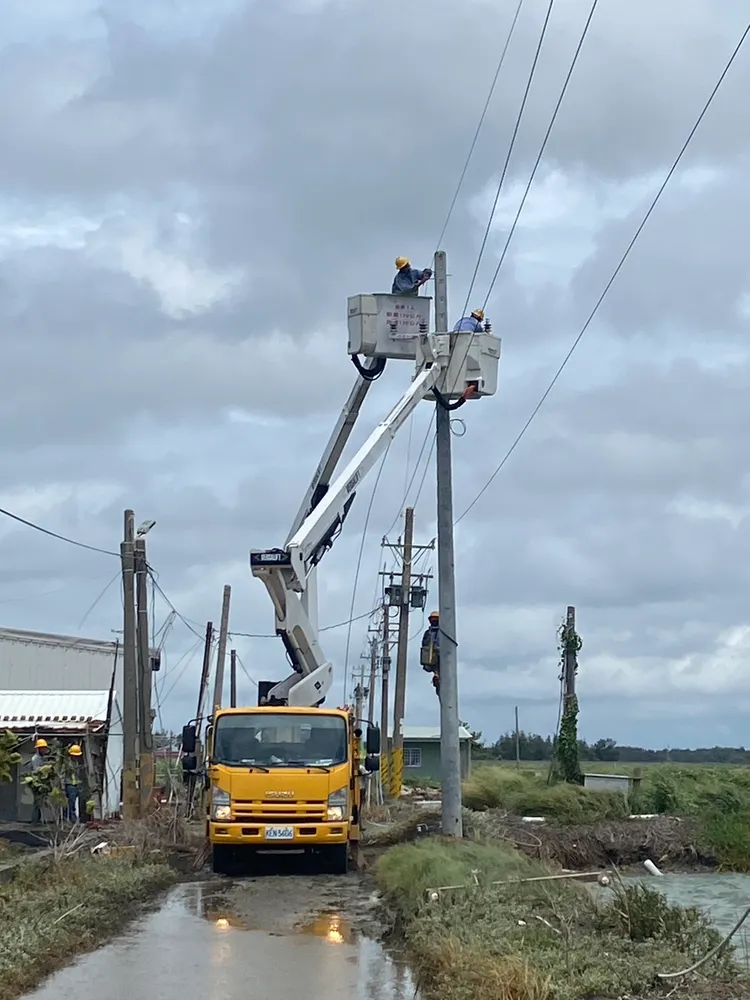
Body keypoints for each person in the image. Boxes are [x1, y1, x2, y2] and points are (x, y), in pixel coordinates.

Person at [64, 744, 86, 824]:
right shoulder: (68, 763)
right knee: (71, 802)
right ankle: (70, 818)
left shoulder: (75, 762)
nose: (76, 757)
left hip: (75, 784)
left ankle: (73, 817)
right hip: (70, 785)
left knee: (75, 801)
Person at [29, 738, 49, 823]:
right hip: (37, 783)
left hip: (41, 782)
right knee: (37, 802)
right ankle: (35, 821)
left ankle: (37, 820)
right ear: (39, 749)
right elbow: (36, 771)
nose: (45, 750)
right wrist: (45, 768)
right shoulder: (35, 759)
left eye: (45, 748)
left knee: (40, 802)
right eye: (43, 748)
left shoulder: (41, 758)